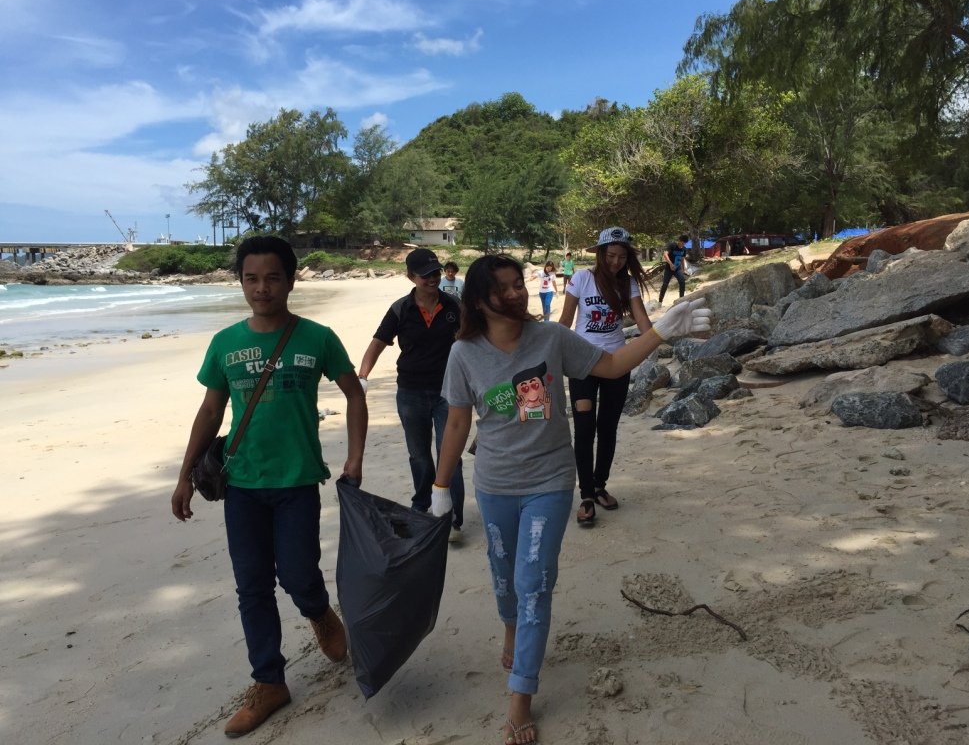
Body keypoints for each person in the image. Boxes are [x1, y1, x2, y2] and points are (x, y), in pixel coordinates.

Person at [429, 254, 710, 745]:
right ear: (478, 300)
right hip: (494, 485)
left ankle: (520, 695)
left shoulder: (552, 338)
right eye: (504, 289)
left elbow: (613, 363)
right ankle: (511, 629)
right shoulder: (464, 354)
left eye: (520, 284)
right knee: (504, 577)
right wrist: (438, 488)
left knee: (534, 581)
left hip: (550, 481)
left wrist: (662, 330)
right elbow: (457, 422)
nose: (517, 294)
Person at [171, 235, 368, 738]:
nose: (261, 288)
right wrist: (184, 476)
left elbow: (353, 394)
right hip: (242, 483)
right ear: (240, 282)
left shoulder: (317, 337)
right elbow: (211, 410)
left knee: (300, 574)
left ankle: (319, 612)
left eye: (272, 277)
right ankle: (269, 681)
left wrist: (354, 458)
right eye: (251, 278)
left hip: (298, 480)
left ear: (291, 279)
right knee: (252, 585)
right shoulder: (226, 343)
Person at [358, 247, 467, 542]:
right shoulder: (400, 309)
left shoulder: (454, 306)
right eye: (425, 274)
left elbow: (472, 341)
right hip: (410, 392)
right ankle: (422, 506)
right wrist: (362, 377)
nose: (432, 278)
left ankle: (452, 517)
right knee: (419, 455)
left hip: (449, 392)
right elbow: (378, 343)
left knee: (450, 454)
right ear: (411, 277)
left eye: (435, 272)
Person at [558, 226, 652, 526]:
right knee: (584, 429)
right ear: (600, 253)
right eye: (611, 255)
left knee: (608, 427)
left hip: (617, 362)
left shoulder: (629, 284)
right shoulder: (581, 278)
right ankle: (586, 495)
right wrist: (548, 351)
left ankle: (600, 486)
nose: (616, 262)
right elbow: (564, 321)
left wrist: (659, 338)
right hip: (582, 363)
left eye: (622, 257)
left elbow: (643, 321)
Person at [658, 233, 688, 304]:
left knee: (682, 282)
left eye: (685, 244)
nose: (683, 245)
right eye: (682, 243)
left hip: (678, 269)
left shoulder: (684, 249)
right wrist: (671, 264)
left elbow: (682, 259)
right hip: (669, 268)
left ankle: (681, 300)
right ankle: (660, 301)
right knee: (665, 284)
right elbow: (665, 254)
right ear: (679, 241)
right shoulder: (672, 245)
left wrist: (684, 269)